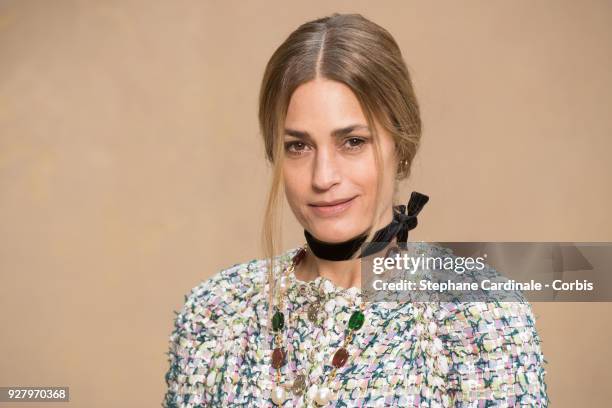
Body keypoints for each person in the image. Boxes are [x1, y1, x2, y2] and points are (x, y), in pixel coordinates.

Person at [162, 13, 548, 407]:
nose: (323, 176)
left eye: (353, 142)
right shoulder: (213, 312)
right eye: (298, 146)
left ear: (401, 144)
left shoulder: (478, 314)